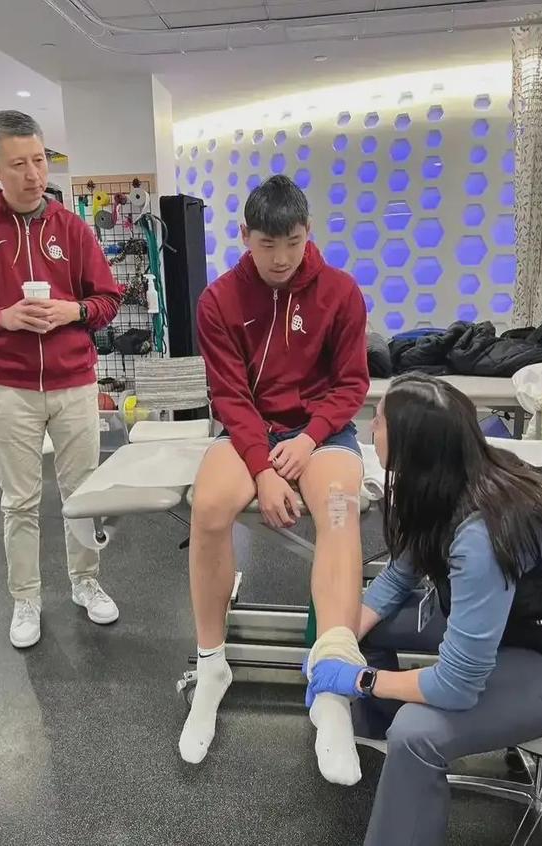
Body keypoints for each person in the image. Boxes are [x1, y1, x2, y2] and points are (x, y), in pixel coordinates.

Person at [305, 374, 542, 845]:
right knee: (366, 626)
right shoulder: (449, 476)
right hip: (514, 621)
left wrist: (360, 680)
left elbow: (455, 687)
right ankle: (378, 742)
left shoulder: (481, 537)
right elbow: (396, 580)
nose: (370, 430)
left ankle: (407, 762)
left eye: (380, 421)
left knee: (417, 732)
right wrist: (338, 642)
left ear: (411, 447)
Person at [179, 175, 370, 785]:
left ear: (307, 232)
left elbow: (352, 384)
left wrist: (310, 438)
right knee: (210, 508)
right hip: (251, 429)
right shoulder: (219, 300)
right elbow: (229, 395)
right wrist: (262, 467)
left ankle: (332, 687)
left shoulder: (340, 292)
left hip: (321, 433)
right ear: (245, 237)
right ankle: (212, 664)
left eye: (292, 242)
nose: (282, 258)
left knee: (339, 510)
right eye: (267, 244)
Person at [0, 110, 121, 649]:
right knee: (19, 502)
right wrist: (1, 317)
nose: (34, 174)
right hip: (8, 388)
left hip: (74, 383)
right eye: (19, 164)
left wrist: (73, 311)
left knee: (82, 493)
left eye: (40, 160)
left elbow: (108, 299)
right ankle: (26, 598)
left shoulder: (72, 227)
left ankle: (85, 581)